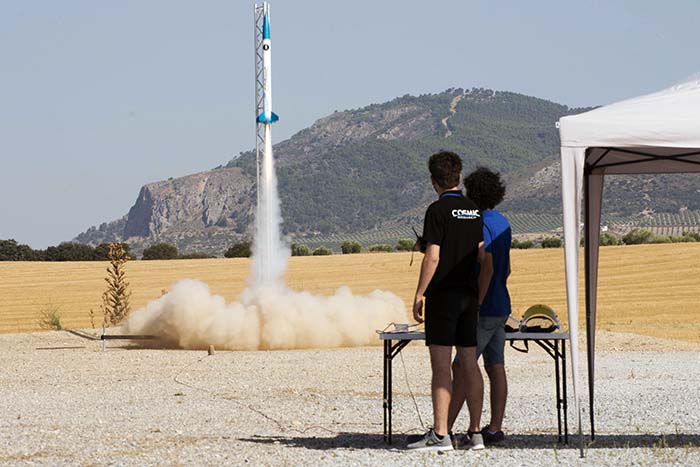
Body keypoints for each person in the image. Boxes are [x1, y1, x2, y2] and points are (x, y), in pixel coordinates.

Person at [407, 151, 485, 452]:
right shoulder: (474, 210)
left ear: (433, 181)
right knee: (469, 364)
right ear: (459, 176)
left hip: (444, 297)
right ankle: (475, 433)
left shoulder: (436, 212)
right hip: (469, 296)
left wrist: (419, 294)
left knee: (441, 367)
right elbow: (481, 254)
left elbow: (433, 255)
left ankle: (440, 435)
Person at [447, 167, 511, 445]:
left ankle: (444, 429)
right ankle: (494, 428)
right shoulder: (503, 222)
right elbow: (506, 270)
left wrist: (478, 302)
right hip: (502, 306)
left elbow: (488, 265)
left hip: (484, 309)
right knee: (495, 366)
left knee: (462, 366)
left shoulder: (479, 223)